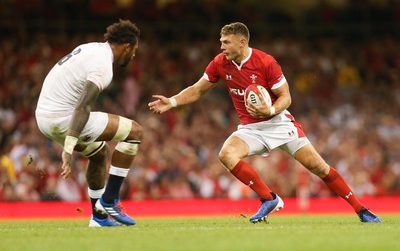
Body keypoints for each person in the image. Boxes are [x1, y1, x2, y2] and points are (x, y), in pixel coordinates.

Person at [148, 22, 381, 223]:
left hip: (279, 123)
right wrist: (173, 101)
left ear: (242, 42)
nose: (221, 47)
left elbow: (286, 97)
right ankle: (269, 199)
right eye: (221, 42)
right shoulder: (220, 63)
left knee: (319, 168)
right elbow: (198, 90)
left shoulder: (265, 62)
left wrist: (269, 109)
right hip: (251, 128)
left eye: (226, 42)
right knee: (226, 154)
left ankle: (361, 210)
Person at [35, 19, 142, 227]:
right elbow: (83, 106)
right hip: (63, 117)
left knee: (99, 154)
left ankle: (99, 217)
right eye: (134, 50)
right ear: (127, 47)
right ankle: (109, 200)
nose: (134, 55)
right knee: (135, 132)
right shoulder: (103, 65)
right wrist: (68, 148)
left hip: (43, 117)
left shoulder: (90, 48)